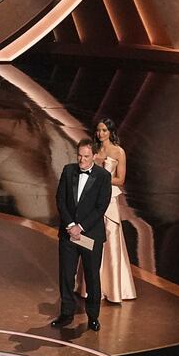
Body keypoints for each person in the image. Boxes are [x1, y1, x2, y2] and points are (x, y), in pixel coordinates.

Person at [51, 137, 110, 331]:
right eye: (79, 156)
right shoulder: (69, 171)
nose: (82, 160)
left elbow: (101, 206)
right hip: (68, 234)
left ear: (94, 156)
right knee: (66, 275)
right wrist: (70, 225)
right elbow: (60, 199)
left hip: (89, 235)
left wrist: (80, 227)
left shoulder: (103, 176)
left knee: (92, 276)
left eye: (86, 156)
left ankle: (93, 316)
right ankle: (66, 313)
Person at [76, 119, 136, 304]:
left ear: (110, 131)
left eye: (104, 130)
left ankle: (114, 289)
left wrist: (102, 178)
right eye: (98, 130)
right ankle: (88, 286)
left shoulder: (119, 152)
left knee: (111, 239)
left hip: (109, 200)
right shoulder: (93, 150)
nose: (100, 133)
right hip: (92, 199)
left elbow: (120, 179)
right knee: (89, 240)